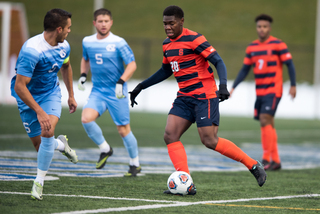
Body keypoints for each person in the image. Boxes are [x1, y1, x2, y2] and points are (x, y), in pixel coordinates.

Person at [130, 5, 267, 195]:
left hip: (205, 96)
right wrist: (140, 87)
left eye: (171, 23)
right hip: (184, 97)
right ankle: (185, 182)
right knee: (170, 135)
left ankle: (253, 165)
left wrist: (223, 86)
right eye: (165, 24)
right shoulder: (166, 45)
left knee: (209, 140)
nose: (168, 27)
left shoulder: (194, 38)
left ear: (181, 22)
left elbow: (218, 61)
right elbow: (165, 70)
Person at [10, 8, 78, 200]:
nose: (69, 31)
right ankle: (61, 145)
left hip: (50, 94)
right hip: (28, 98)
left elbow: (66, 67)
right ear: (58, 29)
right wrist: (39, 111)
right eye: (68, 28)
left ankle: (38, 182)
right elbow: (19, 87)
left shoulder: (64, 47)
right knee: (41, 146)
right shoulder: (32, 51)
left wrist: (71, 95)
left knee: (47, 131)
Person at [78, 8, 140, 177]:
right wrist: (83, 75)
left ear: (111, 23)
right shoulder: (87, 41)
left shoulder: (119, 42)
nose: (103, 24)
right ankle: (105, 149)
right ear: (94, 23)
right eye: (100, 21)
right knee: (85, 119)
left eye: (106, 21)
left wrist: (121, 81)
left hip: (116, 92)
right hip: (98, 91)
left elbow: (132, 64)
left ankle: (135, 163)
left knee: (123, 129)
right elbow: (85, 59)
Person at [230, 14, 296, 171]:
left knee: (264, 118)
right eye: (259, 26)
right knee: (268, 124)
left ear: (270, 28)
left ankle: (266, 158)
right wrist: (233, 87)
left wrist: (293, 85)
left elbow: (290, 64)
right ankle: (276, 161)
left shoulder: (278, 44)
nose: (262, 29)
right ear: (256, 28)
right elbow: (245, 69)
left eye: (265, 26)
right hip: (260, 91)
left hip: (274, 90)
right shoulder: (252, 47)